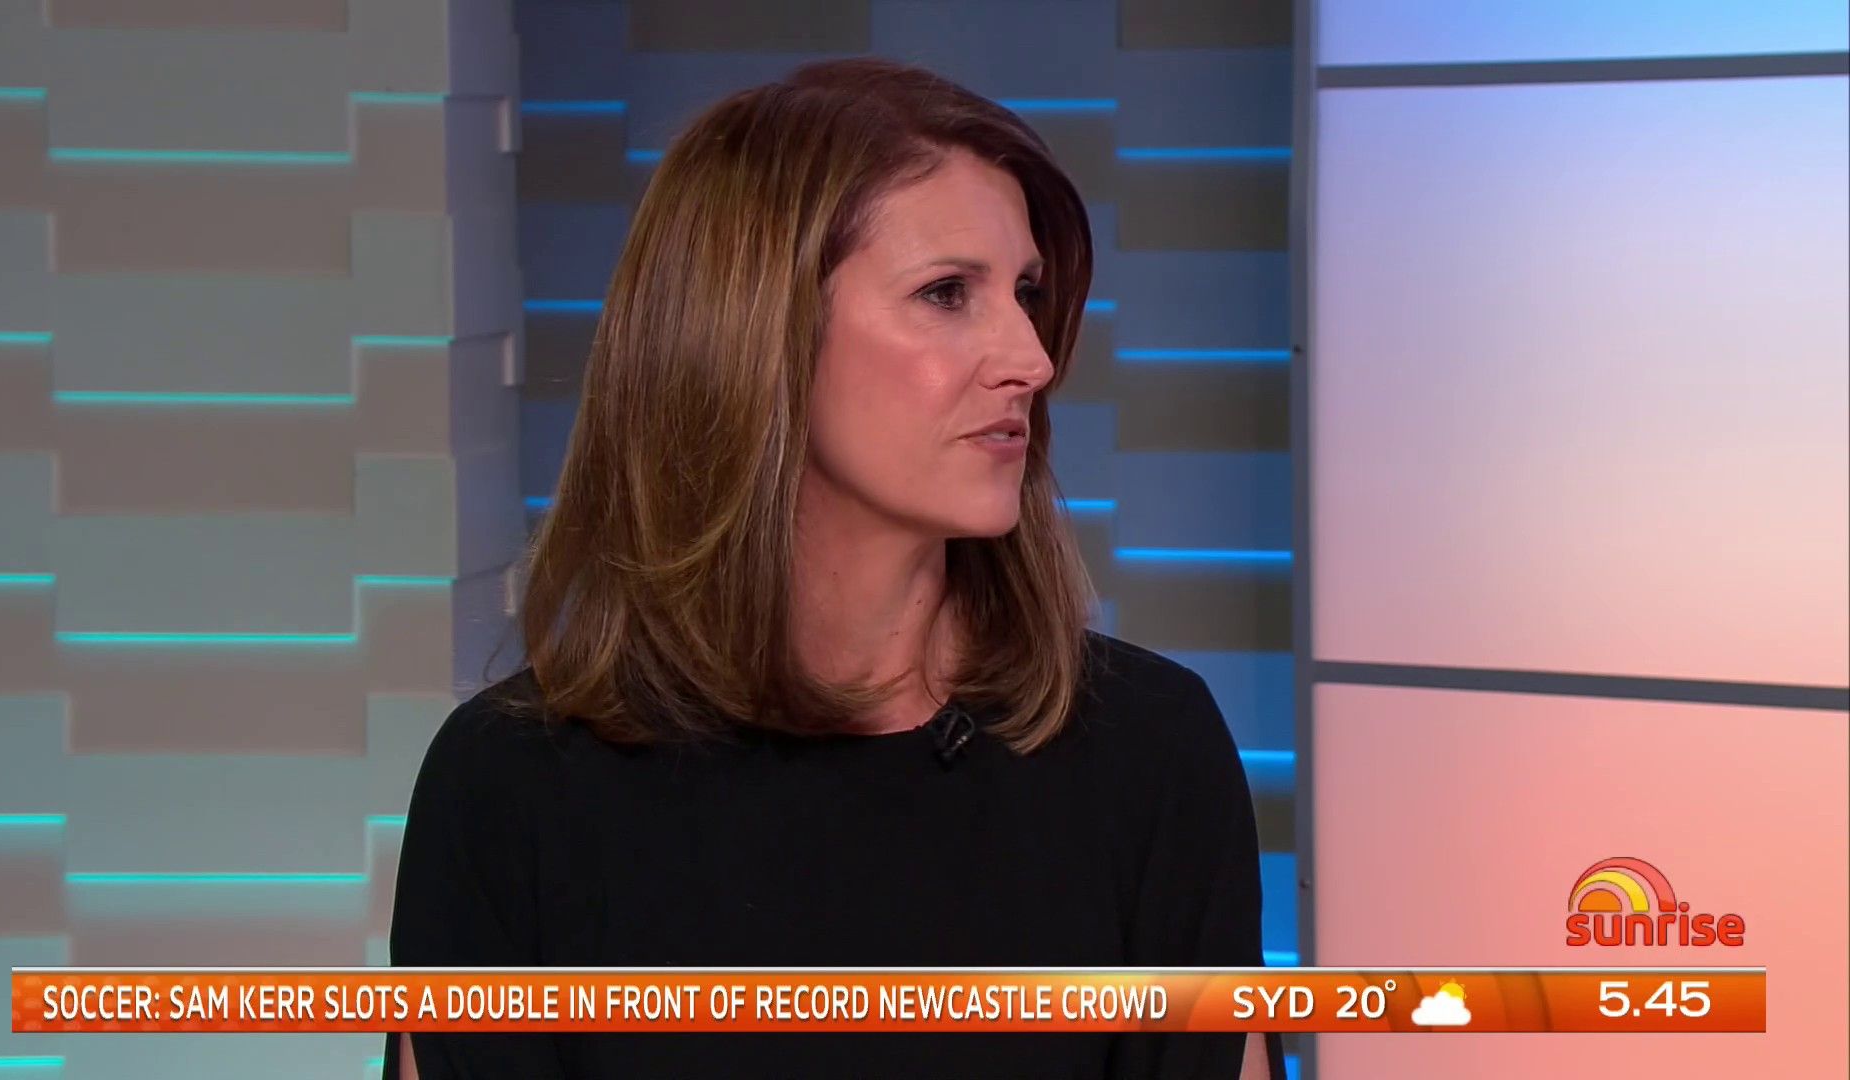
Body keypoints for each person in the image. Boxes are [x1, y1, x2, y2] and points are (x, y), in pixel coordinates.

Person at [384, 56, 1279, 1079]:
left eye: (1026, 293)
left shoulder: (1149, 755)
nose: (1031, 358)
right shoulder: (511, 789)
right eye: (948, 293)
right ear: (754, 334)